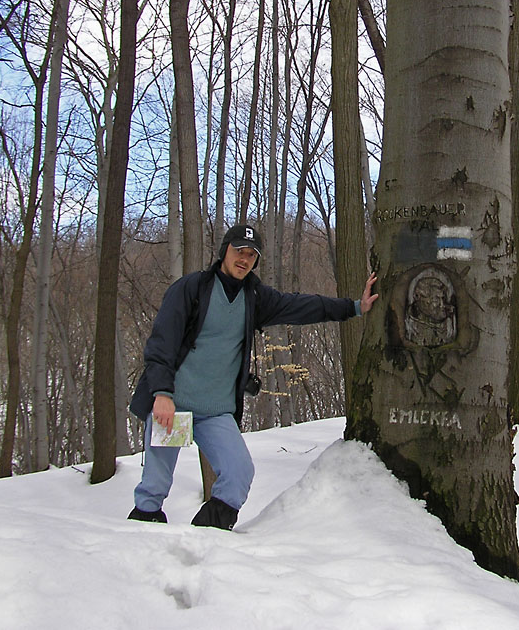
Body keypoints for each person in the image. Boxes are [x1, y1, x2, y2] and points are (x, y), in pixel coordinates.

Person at [127, 223, 378, 530]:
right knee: (155, 485)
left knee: (238, 474)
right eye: (239, 252)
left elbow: (301, 306)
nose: (244, 259)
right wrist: (162, 394)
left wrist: (354, 307)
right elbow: (161, 344)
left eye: (251, 255)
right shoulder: (192, 289)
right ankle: (142, 543)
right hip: (174, 407)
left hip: (214, 412)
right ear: (224, 252)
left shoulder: (254, 297)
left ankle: (207, 539)